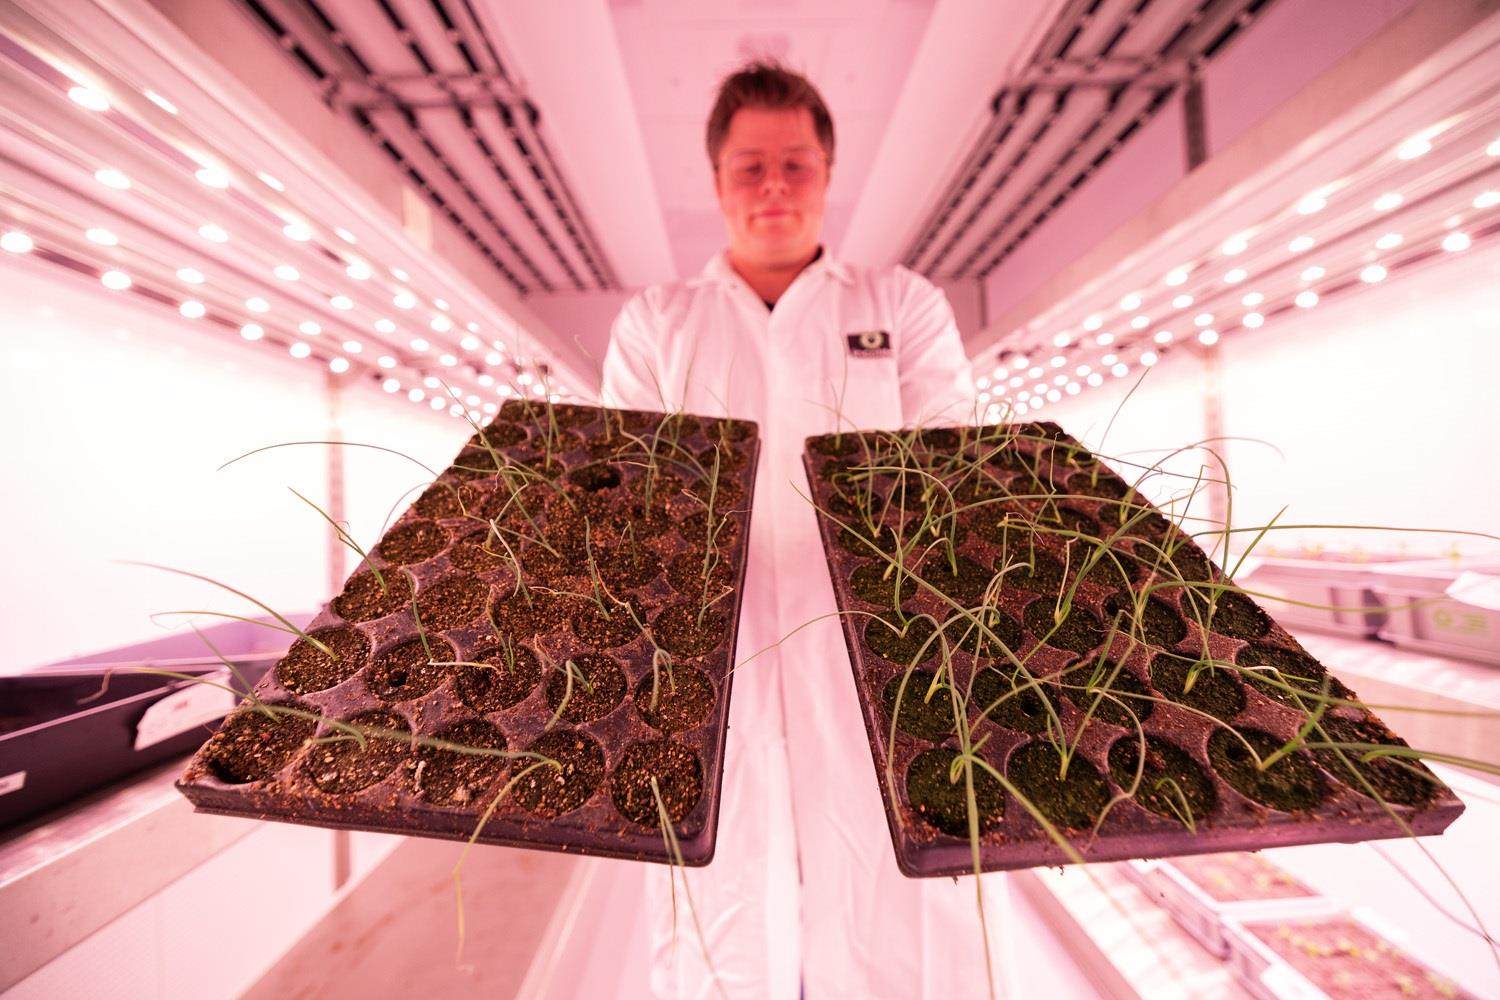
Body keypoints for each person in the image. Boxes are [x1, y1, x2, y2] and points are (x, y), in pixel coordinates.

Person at [602, 61, 1010, 1000]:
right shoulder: (660, 324)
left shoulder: (900, 308)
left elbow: (951, 485)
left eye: (797, 163)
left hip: (881, 661)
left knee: (889, 892)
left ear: (829, 173)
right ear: (715, 183)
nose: (775, 186)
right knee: (719, 892)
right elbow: (626, 507)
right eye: (750, 167)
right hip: (712, 669)